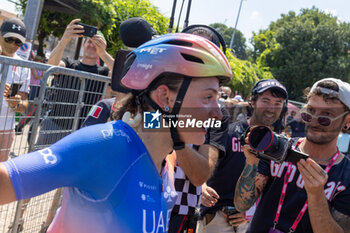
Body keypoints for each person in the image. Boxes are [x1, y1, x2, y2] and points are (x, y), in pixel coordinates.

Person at [0, 33, 233, 233]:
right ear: (164, 97)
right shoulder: (106, 146)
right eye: (208, 97)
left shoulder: (163, 162)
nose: (218, 114)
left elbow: (151, 122)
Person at [234, 77, 350, 233]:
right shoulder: (279, 149)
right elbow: (241, 205)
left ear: (347, 121)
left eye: (326, 116)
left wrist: (316, 196)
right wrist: (251, 162)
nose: (314, 121)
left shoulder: (346, 176)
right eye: (310, 112)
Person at [197, 79, 288, 233]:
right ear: (252, 102)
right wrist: (202, 186)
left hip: (254, 224)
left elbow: (278, 191)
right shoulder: (228, 132)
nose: (271, 108)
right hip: (217, 217)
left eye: (278, 103)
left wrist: (251, 211)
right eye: (265, 100)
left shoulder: (281, 146)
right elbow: (202, 165)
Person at [35, 19, 113, 149]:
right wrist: (65, 39)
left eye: (96, 44)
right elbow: (51, 66)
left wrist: (104, 54)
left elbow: (122, 74)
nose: (92, 46)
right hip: (54, 125)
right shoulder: (69, 63)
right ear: (83, 44)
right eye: (89, 42)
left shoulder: (104, 72)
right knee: (38, 164)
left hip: (83, 132)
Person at [0, 18, 30, 161]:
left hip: (6, 128)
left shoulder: (23, 65)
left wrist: (15, 103)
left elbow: (24, 106)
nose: (13, 44)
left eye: (17, 42)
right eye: (9, 39)